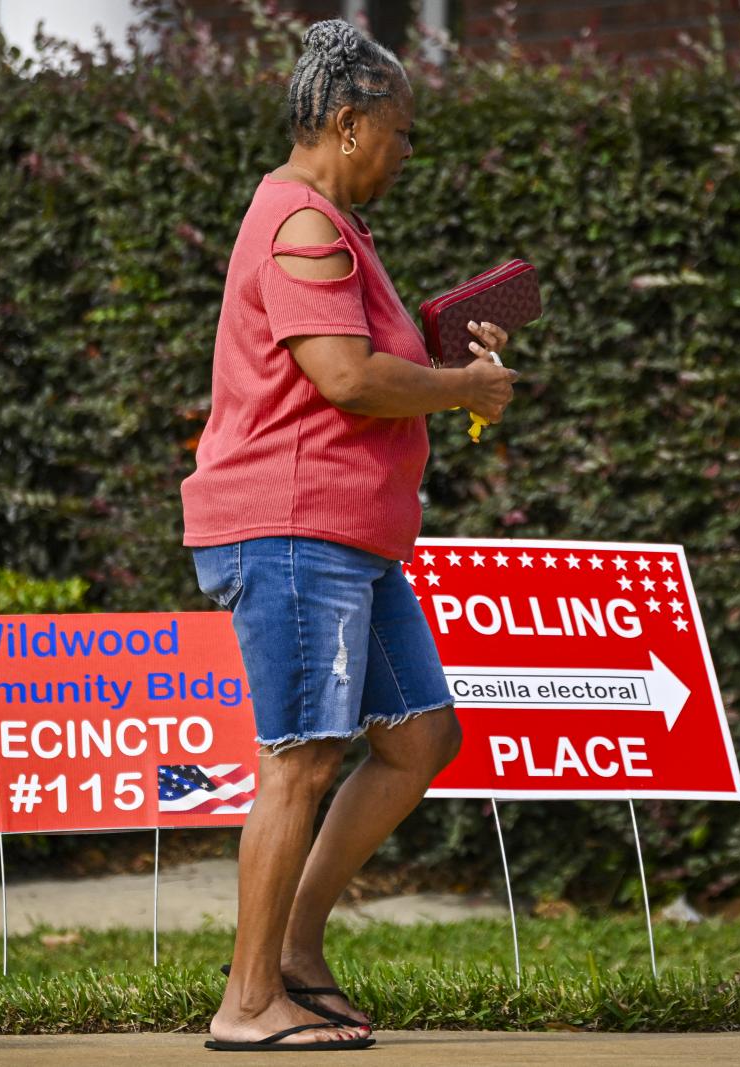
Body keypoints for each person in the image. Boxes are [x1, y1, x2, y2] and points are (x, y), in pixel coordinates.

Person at [180, 17, 518, 1053]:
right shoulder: (303, 226)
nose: (407, 151)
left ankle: (292, 949)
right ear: (347, 121)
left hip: (344, 536)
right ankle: (245, 1005)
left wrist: (445, 350)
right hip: (293, 529)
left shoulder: (328, 227)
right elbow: (344, 377)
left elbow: (353, 360)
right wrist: (462, 385)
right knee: (301, 754)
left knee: (418, 735)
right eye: (401, 132)